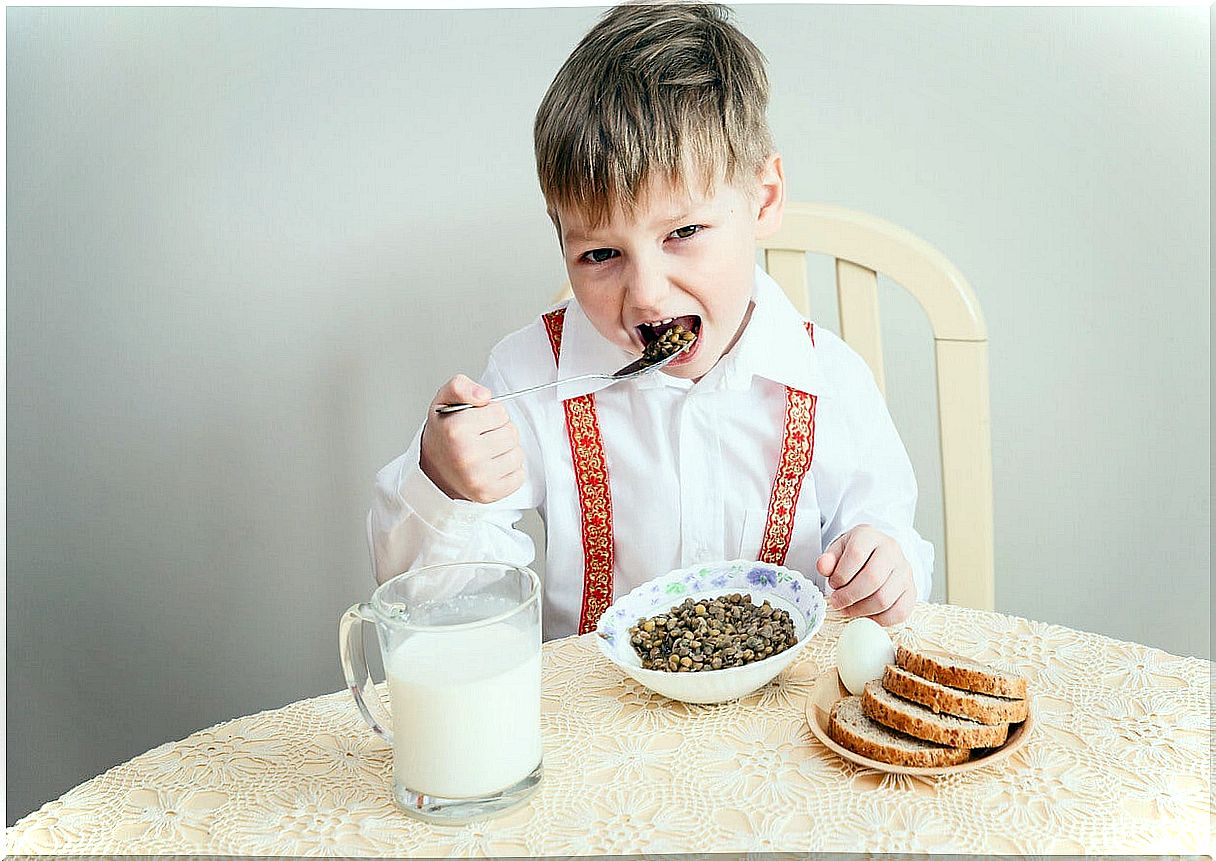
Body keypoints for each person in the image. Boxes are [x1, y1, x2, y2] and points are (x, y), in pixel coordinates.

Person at [368, 2, 934, 640]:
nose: (646, 296)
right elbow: (432, 598)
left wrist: (885, 562)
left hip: (778, 720)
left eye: (683, 232)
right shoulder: (532, 375)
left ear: (765, 198)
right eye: (601, 254)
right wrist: (444, 483)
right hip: (599, 724)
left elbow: (889, 529)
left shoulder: (833, 380)